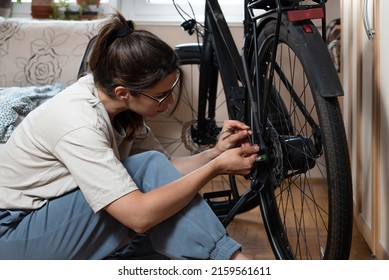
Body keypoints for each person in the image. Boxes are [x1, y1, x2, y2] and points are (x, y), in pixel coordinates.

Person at [0, 11, 259, 260]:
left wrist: (215, 152)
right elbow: (138, 215)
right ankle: (233, 263)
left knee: (165, 227)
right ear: (124, 92)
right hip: (12, 232)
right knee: (151, 207)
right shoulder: (79, 122)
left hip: (44, 221)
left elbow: (165, 171)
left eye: (172, 89)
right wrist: (215, 168)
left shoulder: (113, 101)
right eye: (161, 96)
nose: (169, 102)